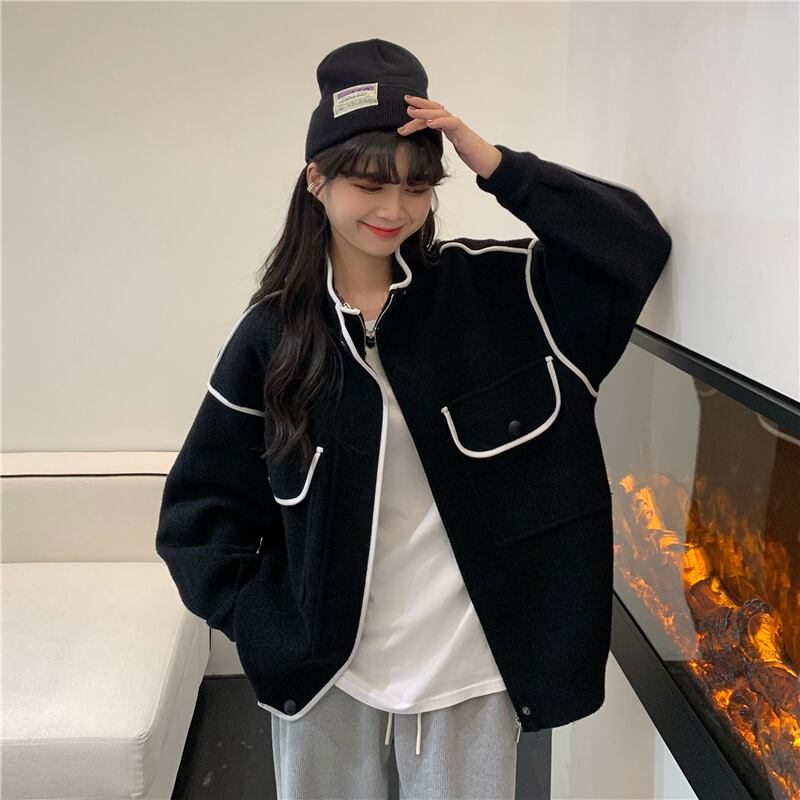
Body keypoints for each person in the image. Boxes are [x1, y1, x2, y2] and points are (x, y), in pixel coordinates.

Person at [156, 37, 672, 800]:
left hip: (470, 675)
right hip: (326, 680)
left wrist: (493, 161)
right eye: (369, 184)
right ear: (316, 179)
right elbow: (197, 518)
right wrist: (266, 626)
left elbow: (634, 246)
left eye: (418, 185)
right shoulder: (273, 339)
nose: (394, 210)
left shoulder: (503, 295)